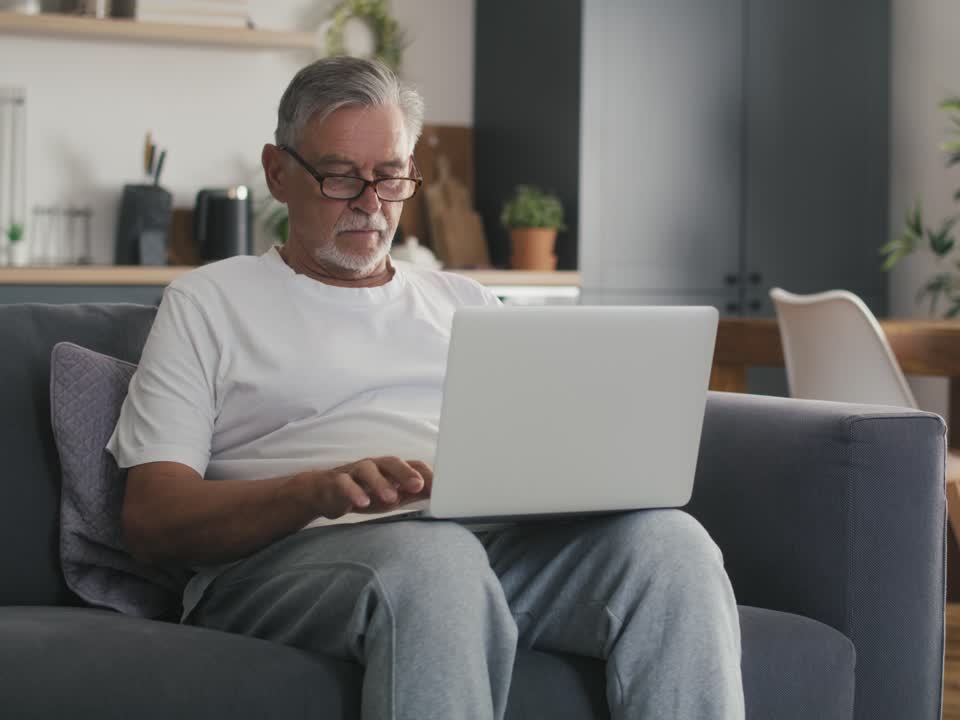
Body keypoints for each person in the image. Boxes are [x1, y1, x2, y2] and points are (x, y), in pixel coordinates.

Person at [108, 57, 745, 719]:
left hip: (482, 545)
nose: (370, 204)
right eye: (339, 177)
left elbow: (532, 451)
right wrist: (316, 490)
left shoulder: (464, 300)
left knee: (673, 547)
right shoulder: (207, 302)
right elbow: (153, 521)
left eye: (389, 177)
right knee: (436, 562)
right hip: (293, 560)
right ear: (278, 172)